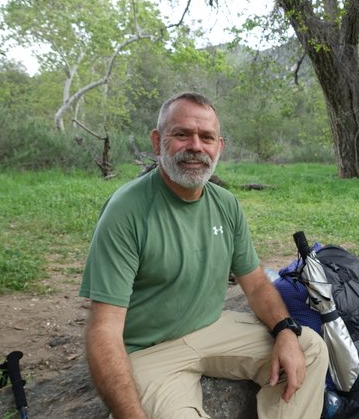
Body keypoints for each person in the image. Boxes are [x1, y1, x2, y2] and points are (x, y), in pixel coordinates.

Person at [79, 92, 329, 419]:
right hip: (148, 352)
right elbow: (104, 329)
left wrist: (284, 329)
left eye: (206, 137)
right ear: (157, 142)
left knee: (308, 348)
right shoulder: (126, 211)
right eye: (182, 134)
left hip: (212, 328)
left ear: (219, 147)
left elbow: (254, 284)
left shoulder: (226, 204)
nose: (196, 146)